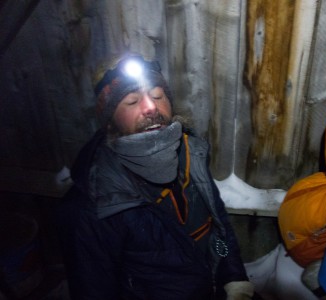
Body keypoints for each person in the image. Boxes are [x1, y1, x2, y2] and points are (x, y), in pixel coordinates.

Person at [55, 53, 254, 300]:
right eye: (132, 101)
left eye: (158, 95)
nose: (151, 107)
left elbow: (217, 223)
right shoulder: (92, 206)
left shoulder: (191, 154)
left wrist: (233, 276)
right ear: (109, 122)